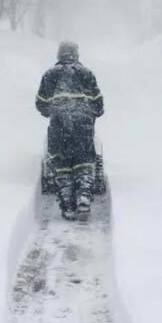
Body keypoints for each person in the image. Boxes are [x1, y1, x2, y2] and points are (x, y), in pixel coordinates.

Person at [36, 41, 104, 219]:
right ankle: (83, 197)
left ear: (59, 55)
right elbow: (98, 103)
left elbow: (41, 103)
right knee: (84, 162)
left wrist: (51, 111)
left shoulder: (50, 75)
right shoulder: (86, 74)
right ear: (76, 55)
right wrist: (93, 113)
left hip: (59, 127)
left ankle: (67, 205)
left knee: (62, 165)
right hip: (83, 126)